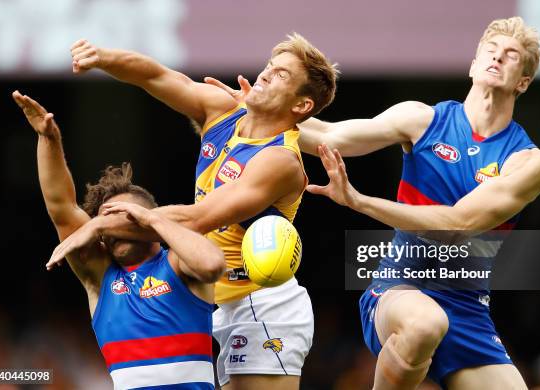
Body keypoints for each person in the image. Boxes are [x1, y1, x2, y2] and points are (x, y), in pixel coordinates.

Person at [208, 16, 540, 390]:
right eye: (491, 50)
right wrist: (256, 109)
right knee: (426, 324)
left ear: (523, 81)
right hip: (401, 288)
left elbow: (460, 223)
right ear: (473, 65)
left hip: (469, 308)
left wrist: (358, 201)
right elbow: (331, 135)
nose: (498, 58)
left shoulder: (530, 162)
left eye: (511, 55)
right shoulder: (422, 119)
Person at [51, 33, 338, 390]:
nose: (266, 75)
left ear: (301, 106)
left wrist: (99, 227)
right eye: (270, 66)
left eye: (282, 75)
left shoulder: (280, 161)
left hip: (261, 305)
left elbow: (196, 218)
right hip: (210, 303)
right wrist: (103, 58)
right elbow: (155, 76)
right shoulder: (222, 111)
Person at [13, 91, 225, 390]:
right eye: (104, 222)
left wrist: (152, 220)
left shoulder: (178, 262)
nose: (109, 229)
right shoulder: (100, 278)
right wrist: (49, 139)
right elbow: (61, 207)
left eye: (120, 219)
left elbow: (213, 265)